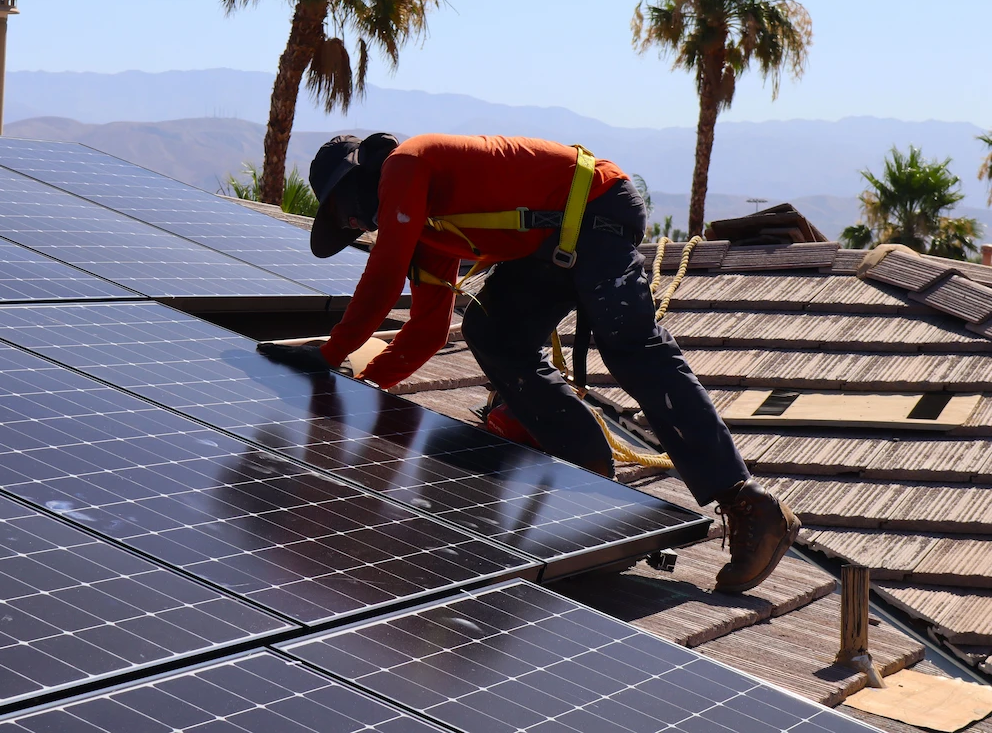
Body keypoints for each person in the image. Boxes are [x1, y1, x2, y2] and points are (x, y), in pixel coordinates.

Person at [258, 132, 798, 594]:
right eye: (348, 224)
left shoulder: (405, 166)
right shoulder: (431, 229)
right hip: (554, 239)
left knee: (631, 347)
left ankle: (749, 503)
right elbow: (424, 331)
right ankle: (588, 469)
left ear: (363, 174)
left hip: (597, 208)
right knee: (492, 332)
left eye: (346, 209)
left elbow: (380, 280)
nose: (357, 223)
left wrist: (328, 357)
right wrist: (362, 390)